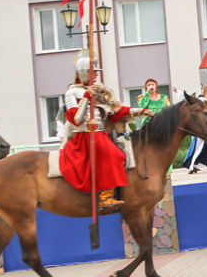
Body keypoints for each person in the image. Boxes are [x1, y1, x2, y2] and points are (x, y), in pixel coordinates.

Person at [59, 53, 147, 205]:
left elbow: (115, 112)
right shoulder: (72, 93)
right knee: (113, 155)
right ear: (84, 73)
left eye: (97, 72)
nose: (96, 75)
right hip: (85, 136)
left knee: (120, 153)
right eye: (93, 72)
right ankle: (105, 197)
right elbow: (76, 119)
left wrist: (139, 111)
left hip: (99, 134)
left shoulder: (99, 91)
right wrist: (86, 97)